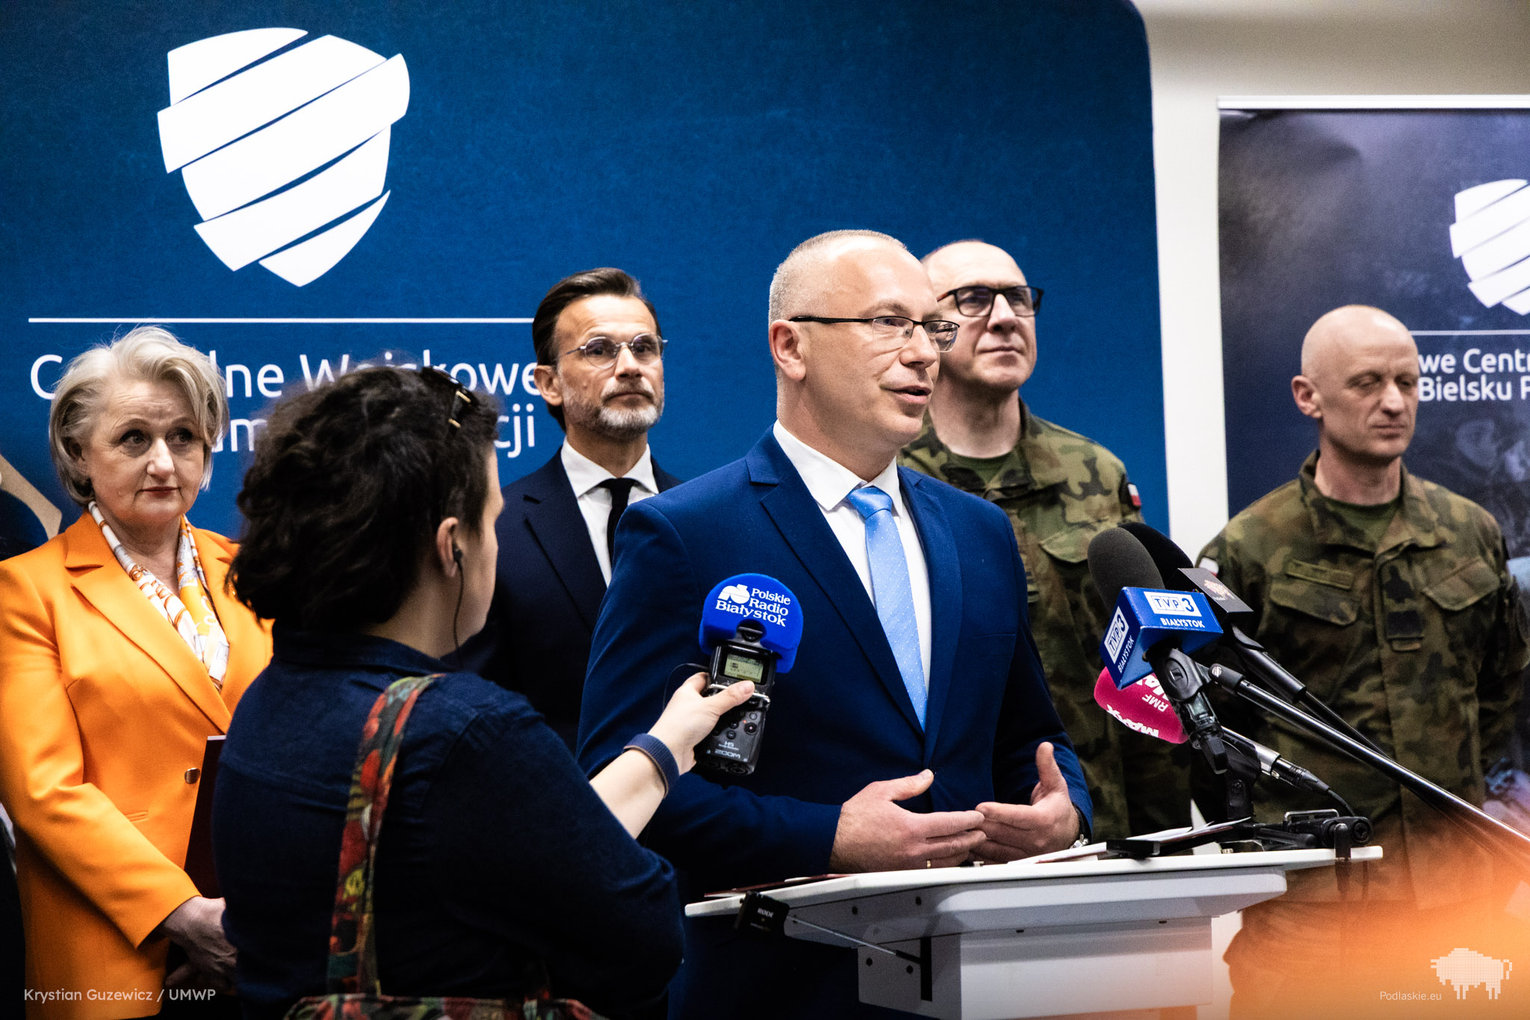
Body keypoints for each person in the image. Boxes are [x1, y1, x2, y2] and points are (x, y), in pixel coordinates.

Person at [578, 230, 1091, 1019]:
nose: (923, 353)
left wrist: (1065, 810)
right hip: (781, 989)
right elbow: (622, 781)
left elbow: (1030, 738)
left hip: (981, 981)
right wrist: (828, 836)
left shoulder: (980, 532)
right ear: (791, 346)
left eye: (932, 327)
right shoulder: (685, 534)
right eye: (889, 323)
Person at [213, 367, 753, 1020]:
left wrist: (661, 750)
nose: (497, 542)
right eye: (493, 521)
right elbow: (642, 939)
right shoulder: (466, 734)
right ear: (451, 547)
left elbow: (531, 850)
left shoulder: (268, 699)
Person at [1196, 305, 1530, 1016]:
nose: (1394, 402)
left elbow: (1500, 686)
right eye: (1367, 382)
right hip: (1318, 906)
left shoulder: (1469, 531)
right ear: (1307, 396)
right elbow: (1207, 728)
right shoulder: (1249, 549)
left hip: (1454, 896)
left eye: (1407, 382)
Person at [0, 326, 272, 1019]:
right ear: (77, 452)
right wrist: (181, 911)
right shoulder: (25, 591)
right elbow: (44, 792)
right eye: (133, 439)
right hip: (116, 956)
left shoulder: (253, 573)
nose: (163, 462)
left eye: (183, 437)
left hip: (259, 945)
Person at [900, 240, 1186, 839]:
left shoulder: (1095, 472)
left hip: (1097, 823)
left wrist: (1159, 839)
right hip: (948, 827)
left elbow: (1144, 670)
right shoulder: (889, 478)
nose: (1005, 317)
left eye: (1019, 298)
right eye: (974, 298)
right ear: (927, 329)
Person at [460, 268, 682, 748]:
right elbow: (472, 713)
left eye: (644, 348)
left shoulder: (706, 517)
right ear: (549, 383)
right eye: (599, 350)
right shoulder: (495, 527)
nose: (630, 366)